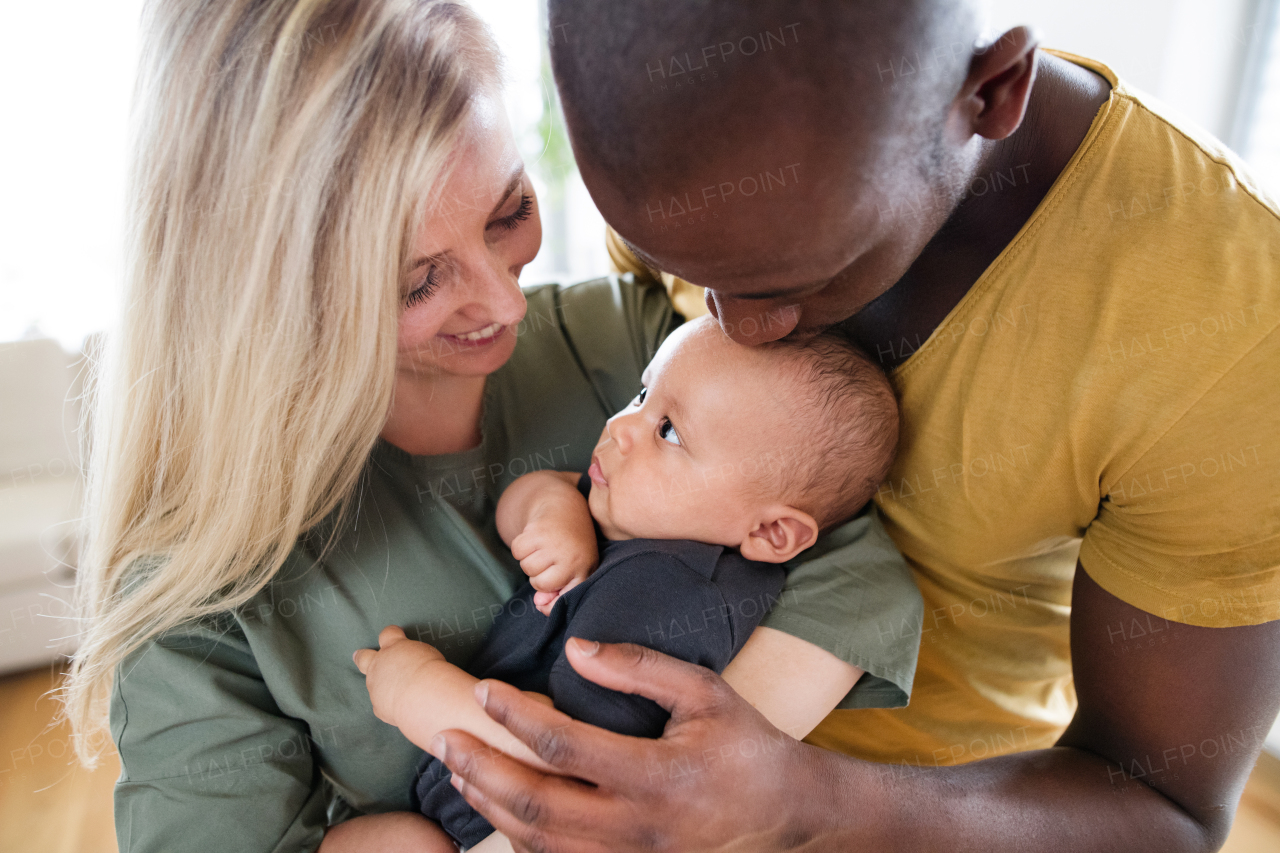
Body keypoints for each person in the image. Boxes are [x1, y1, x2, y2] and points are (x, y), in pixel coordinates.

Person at [61, 2, 922, 851]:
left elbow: (851, 563)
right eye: (417, 283)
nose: (507, 303)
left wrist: (680, 799)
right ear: (270, 291)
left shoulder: (635, 346)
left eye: (509, 212)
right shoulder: (200, 581)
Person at [429, 1, 1280, 850]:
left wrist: (807, 800)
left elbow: (1168, 811)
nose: (736, 324)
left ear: (991, 92)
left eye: (790, 278)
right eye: (688, 266)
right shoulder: (682, 141)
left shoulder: (1232, 325)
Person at [341, 316, 902, 852]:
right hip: (462, 811)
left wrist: (421, 693)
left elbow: (569, 758)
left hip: (518, 825)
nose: (621, 426)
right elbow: (535, 490)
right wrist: (553, 513)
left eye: (670, 432)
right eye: (641, 396)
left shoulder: (668, 592)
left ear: (772, 531)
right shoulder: (642, 518)